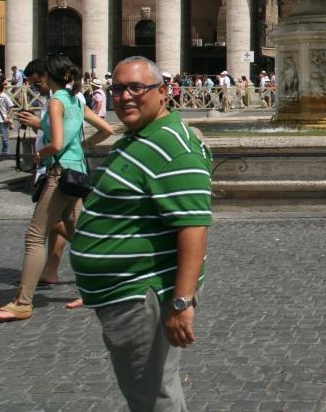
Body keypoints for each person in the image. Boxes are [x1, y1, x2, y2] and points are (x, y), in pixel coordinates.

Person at [69, 56, 211, 410]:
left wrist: (181, 303)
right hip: (126, 291)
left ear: (163, 92)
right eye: (117, 89)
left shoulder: (172, 147)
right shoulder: (139, 137)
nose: (124, 96)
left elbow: (193, 227)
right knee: (154, 388)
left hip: (142, 293)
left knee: (152, 395)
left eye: (136, 87)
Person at [0, 53, 113, 322]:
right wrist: (83, 146)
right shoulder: (76, 99)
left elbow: (56, 143)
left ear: (47, 76)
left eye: (38, 80)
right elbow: (106, 130)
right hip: (77, 171)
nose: (36, 84)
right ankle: (103, 287)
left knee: (34, 235)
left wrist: (38, 154)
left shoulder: (56, 101)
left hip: (60, 173)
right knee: (78, 232)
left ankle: (22, 302)